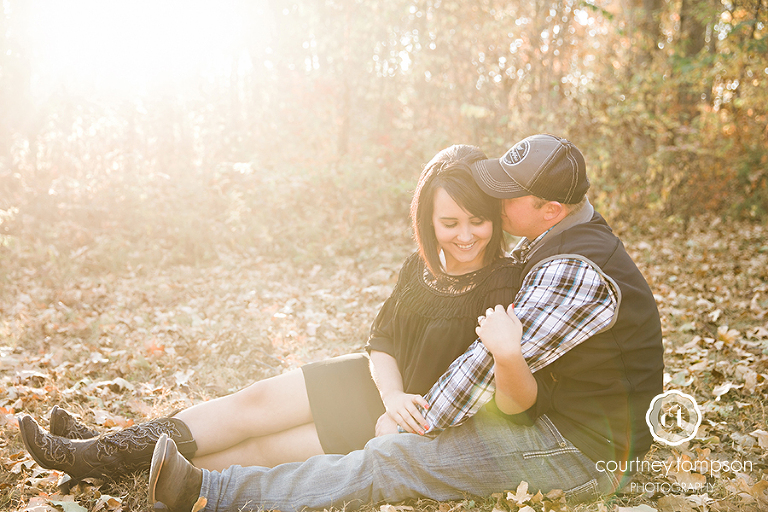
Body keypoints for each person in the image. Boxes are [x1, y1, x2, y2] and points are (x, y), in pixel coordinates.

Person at [147, 133, 665, 512]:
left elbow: (487, 367)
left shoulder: (574, 269)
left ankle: (207, 495)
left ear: (550, 209)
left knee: (393, 459)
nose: (497, 201)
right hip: (550, 415)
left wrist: (411, 422)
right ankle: (148, 458)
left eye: (509, 195)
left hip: (583, 451)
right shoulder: (558, 238)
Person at [18, 145, 522, 481]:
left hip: (405, 420)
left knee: (258, 451)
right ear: (427, 220)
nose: (464, 235)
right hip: (377, 384)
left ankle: (105, 463)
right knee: (251, 402)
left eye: (476, 221)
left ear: (494, 220)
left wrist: (395, 408)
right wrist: (388, 390)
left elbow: (484, 385)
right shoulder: (420, 266)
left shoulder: (502, 283)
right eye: (449, 222)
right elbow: (383, 339)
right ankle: (103, 448)